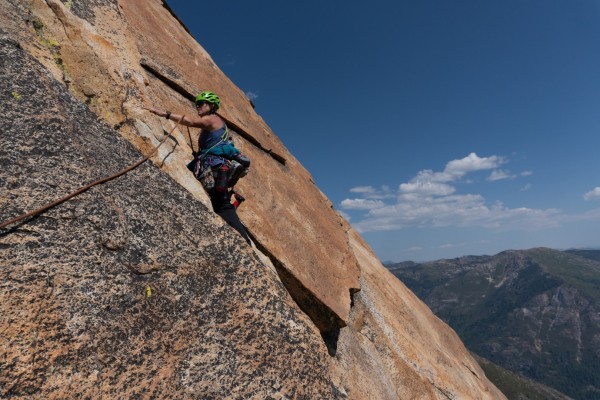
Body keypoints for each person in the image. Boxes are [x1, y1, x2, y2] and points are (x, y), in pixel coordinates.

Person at [144, 91, 251, 244]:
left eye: (202, 103)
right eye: (197, 104)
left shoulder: (212, 119)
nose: (198, 106)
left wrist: (164, 114)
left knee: (222, 206)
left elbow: (191, 122)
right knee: (220, 204)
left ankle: (244, 242)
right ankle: (240, 236)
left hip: (214, 168)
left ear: (212, 106)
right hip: (216, 168)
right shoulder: (218, 125)